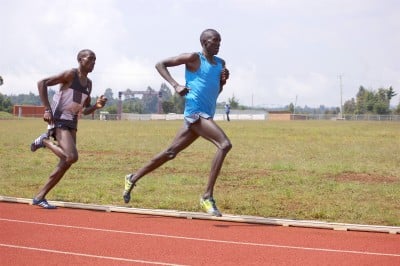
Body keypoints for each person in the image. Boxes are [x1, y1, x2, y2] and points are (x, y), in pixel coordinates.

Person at [123, 29, 232, 217]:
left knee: (170, 153)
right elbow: (160, 64)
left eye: (220, 41)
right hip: (195, 113)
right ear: (204, 42)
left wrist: (223, 83)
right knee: (224, 145)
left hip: (206, 114)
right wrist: (176, 85)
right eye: (215, 41)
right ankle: (207, 196)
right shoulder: (193, 58)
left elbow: (215, 92)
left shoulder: (221, 64)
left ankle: (132, 177)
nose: (218, 44)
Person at [30, 49, 107, 209]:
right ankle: (44, 140)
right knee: (72, 157)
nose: (93, 62)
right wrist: (47, 109)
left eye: (95, 60)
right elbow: (41, 83)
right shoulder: (70, 74)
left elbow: (83, 110)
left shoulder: (89, 84)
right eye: (90, 59)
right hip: (58, 119)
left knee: (66, 162)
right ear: (80, 60)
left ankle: (39, 197)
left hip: (72, 122)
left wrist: (96, 107)